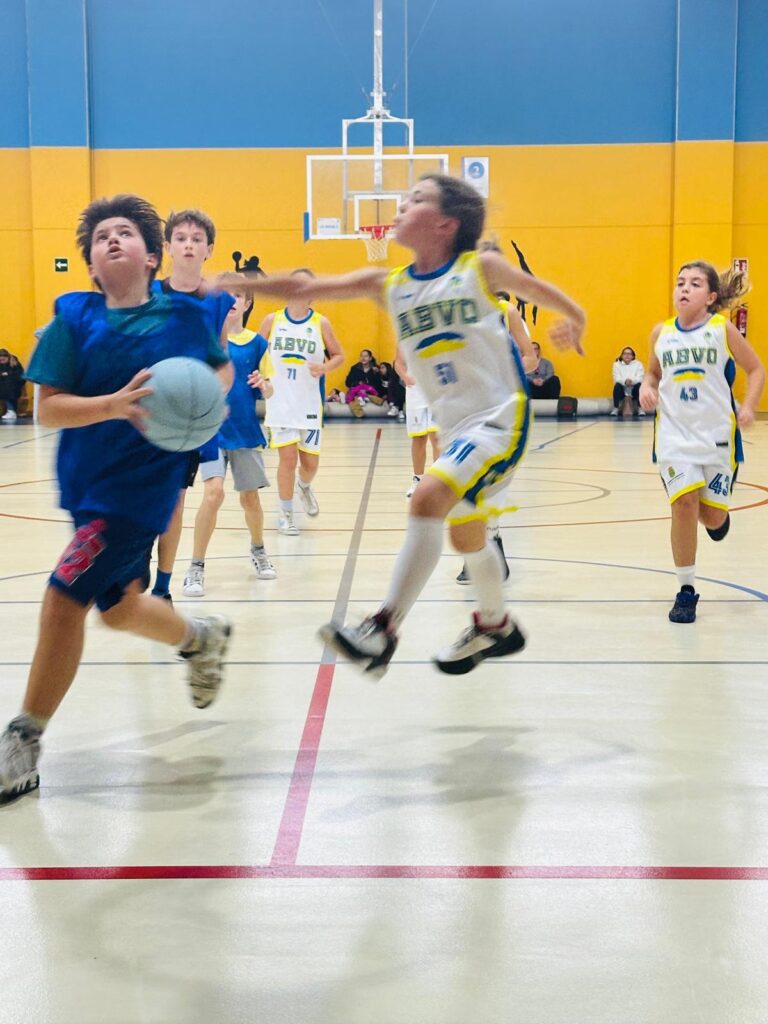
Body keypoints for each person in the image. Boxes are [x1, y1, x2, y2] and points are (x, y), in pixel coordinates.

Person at [221, 172, 585, 675]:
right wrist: (235, 284)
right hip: (456, 429)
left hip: (500, 419)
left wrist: (575, 317)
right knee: (465, 534)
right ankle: (496, 624)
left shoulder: (478, 269)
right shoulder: (391, 285)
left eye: (416, 199)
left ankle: (382, 629)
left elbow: (537, 289)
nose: (401, 204)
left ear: (445, 223)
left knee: (426, 497)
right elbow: (304, 286)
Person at [0, 194, 233, 804]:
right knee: (119, 609)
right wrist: (115, 405)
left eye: (125, 232)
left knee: (64, 595)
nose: (112, 240)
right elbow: (49, 408)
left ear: (151, 256)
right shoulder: (73, 317)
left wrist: (206, 400)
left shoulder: (184, 317)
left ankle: (24, 738)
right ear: (92, 266)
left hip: (142, 487)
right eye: (102, 236)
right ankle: (199, 638)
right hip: (87, 483)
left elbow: (220, 370)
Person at [639, 261, 764, 624]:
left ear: (710, 297)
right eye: (680, 282)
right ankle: (686, 589)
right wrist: (647, 387)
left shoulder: (721, 329)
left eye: (695, 283)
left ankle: (718, 520)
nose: (684, 288)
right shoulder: (661, 333)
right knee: (683, 504)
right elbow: (653, 373)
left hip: (717, 438)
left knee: (711, 517)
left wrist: (749, 407)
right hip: (674, 436)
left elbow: (756, 368)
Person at [150, 209, 234, 602]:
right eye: (180, 238)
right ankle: (135, 565)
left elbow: (222, 359)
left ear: (209, 249)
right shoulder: (149, 293)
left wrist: (216, 396)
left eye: (196, 239)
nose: (188, 244)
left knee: (175, 502)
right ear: (167, 247)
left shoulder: (219, 300)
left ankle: (162, 587)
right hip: (148, 410)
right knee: (143, 500)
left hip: (191, 417)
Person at [182, 284, 276, 596]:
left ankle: (259, 549)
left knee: (250, 499)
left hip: (245, 431)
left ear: (247, 303)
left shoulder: (258, 344)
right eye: (226, 294)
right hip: (211, 432)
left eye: (238, 295)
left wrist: (264, 385)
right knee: (213, 494)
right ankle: (196, 566)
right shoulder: (206, 342)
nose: (231, 300)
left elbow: (271, 389)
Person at [255, 269, 344, 536]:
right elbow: (254, 353)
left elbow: (339, 355)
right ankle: (285, 514)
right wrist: (259, 379)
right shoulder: (272, 320)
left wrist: (325, 367)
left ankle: (304, 487)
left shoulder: (321, 323)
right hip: (280, 401)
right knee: (288, 459)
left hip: (309, 403)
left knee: (310, 465)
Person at [345, 348, 384, 416]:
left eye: (366, 356)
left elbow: (381, 385)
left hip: (371, 392)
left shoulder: (375, 369)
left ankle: (366, 398)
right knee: (354, 396)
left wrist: (378, 373)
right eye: (362, 356)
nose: (363, 358)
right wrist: (358, 383)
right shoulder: (355, 368)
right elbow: (347, 382)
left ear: (370, 358)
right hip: (358, 392)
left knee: (375, 397)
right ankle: (360, 411)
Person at [611, 346, 645, 417]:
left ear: (633, 356)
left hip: (634, 388)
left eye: (629, 354)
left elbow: (640, 378)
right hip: (622, 388)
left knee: (639, 386)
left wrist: (632, 381)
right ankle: (616, 408)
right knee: (617, 385)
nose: (627, 355)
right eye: (625, 353)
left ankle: (640, 408)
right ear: (622, 355)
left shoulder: (638, 364)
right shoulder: (616, 365)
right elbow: (617, 378)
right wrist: (625, 381)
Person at [0, 349, 25, 421]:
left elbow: (19, 375)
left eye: (3, 358)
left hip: (15, 384)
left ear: (7, 357)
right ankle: (11, 410)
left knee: (7, 388)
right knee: (6, 387)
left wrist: (6, 374)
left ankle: (11, 410)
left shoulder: (14, 363)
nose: (2, 360)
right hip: (6, 384)